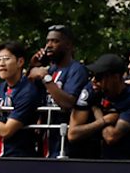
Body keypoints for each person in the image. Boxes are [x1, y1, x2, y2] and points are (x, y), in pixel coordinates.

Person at [67, 54, 130, 160]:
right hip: (87, 156)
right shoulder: (91, 89)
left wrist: (98, 112)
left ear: (115, 77)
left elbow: (111, 137)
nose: (94, 80)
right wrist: (104, 120)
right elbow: (73, 134)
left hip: (124, 159)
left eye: (99, 77)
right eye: (92, 75)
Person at [28, 24, 89, 156]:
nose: (49, 45)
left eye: (55, 41)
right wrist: (32, 66)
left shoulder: (77, 70)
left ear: (68, 45)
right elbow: (27, 93)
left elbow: (67, 103)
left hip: (65, 140)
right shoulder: (50, 69)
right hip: (45, 139)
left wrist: (45, 77)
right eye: (47, 41)